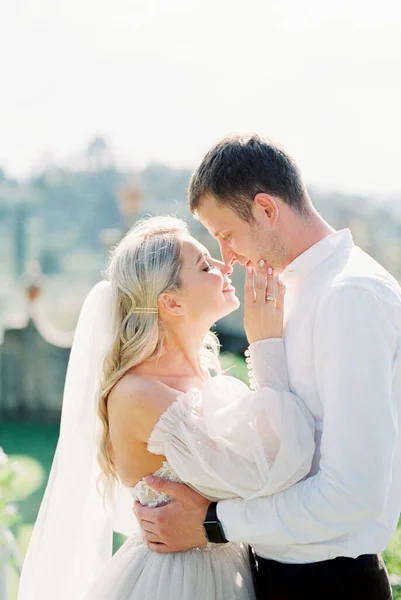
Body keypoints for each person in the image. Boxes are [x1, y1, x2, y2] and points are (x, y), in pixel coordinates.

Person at [134, 135, 400, 600]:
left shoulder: (348, 297)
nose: (228, 258)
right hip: (280, 576)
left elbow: (354, 495)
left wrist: (212, 523)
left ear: (266, 208)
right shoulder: (296, 294)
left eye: (228, 235)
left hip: (329, 585)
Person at [18, 215, 316, 600]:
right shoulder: (137, 393)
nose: (226, 267)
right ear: (171, 302)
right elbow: (274, 470)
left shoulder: (201, 382)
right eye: (206, 266)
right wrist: (265, 346)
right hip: (178, 582)